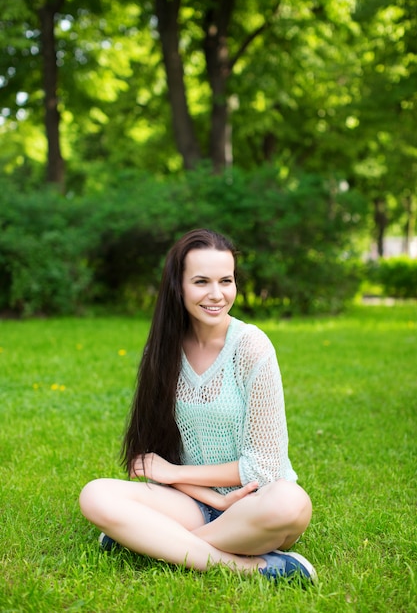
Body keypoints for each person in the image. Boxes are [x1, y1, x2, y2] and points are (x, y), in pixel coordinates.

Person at [79, 228, 316, 583]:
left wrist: (176, 475)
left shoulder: (251, 347)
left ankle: (149, 542)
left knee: (292, 503)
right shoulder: (162, 351)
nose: (217, 294)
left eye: (226, 280)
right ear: (179, 286)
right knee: (95, 494)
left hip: (256, 505)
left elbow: (265, 467)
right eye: (201, 282)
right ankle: (252, 568)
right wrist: (212, 499)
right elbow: (148, 463)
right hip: (191, 505)